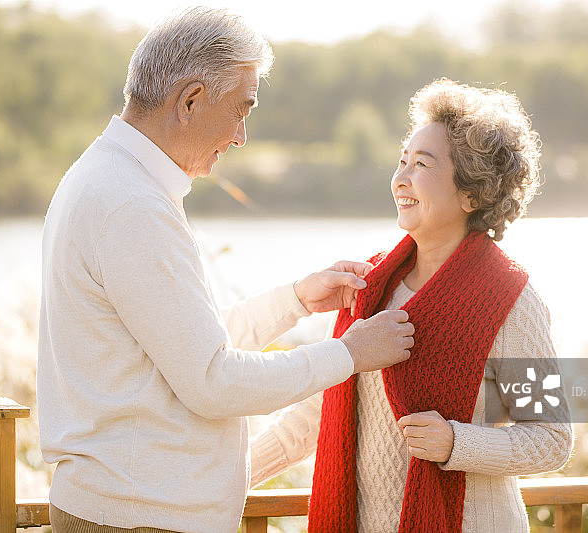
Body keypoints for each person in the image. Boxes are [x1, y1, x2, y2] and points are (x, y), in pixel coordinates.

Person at [36, 7, 414, 533]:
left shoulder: (108, 181)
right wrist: (350, 353)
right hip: (139, 517)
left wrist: (296, 301)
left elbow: (184, 352)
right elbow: (213, 381)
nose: (241, 136)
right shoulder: (132, 205)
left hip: (129, 507)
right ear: (190, 101)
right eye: (241, 111)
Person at [250, 78, 574, 532]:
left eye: (422, 164)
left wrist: (456, 443)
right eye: (402, 160)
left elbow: (551, 438)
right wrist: (224, 481)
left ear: (472, 194)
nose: (401, 178)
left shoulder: (512, 299)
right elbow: (316, 416)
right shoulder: (370, 286)